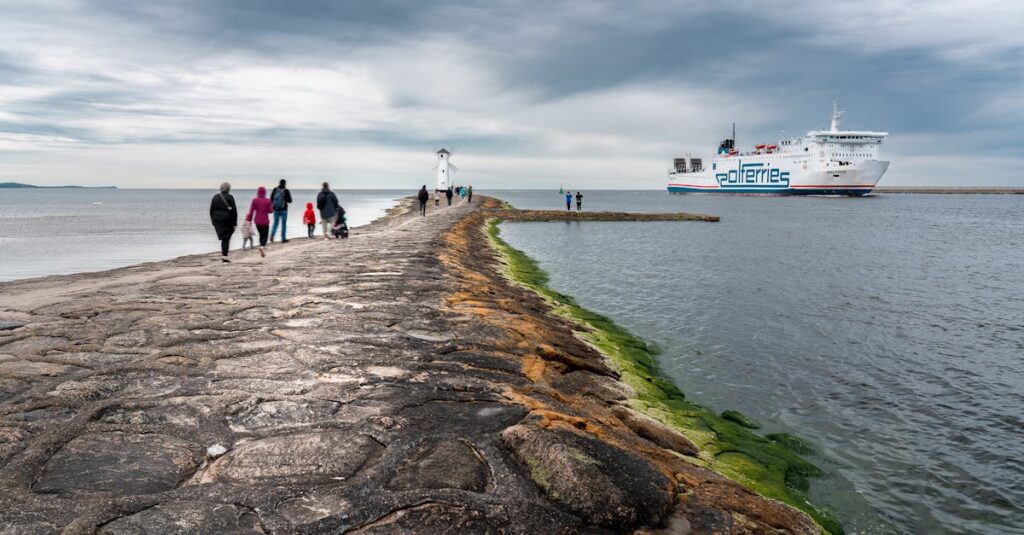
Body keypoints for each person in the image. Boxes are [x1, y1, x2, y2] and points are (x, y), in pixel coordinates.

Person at [209, 182, 237, 263]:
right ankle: (224, 256)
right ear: (228, 189)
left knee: (224, 238)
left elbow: (211, 210)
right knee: (226, 238)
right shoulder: (230, 197)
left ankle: (224, 256)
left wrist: (213, 221)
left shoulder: (215, 197)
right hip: (227, 220)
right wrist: (235, 223)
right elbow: (234, 211)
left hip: (217, 220)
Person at [247, 186, 273, 257]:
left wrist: (249, 220)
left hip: (257, 222)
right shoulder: (268, 200)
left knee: (261, 235)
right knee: (265, 236)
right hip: (265, 221)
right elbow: (270, 211)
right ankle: (262, 247)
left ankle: (261, 247)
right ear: (265, 192)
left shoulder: (254, 200)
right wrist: (271, 206)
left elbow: (251, 211)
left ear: (258, 192)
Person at [268, 179, 292, 243]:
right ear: (285, 184)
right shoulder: (286, 191)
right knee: (283, 224)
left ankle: (272, 235)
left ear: (279, 183)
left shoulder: (275, 190)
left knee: (275, 223)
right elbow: (290, 200)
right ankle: (283, 238)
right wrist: (285, 198)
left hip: (275, 209)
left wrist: (272, 206)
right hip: (284, 210)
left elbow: (271, 199)